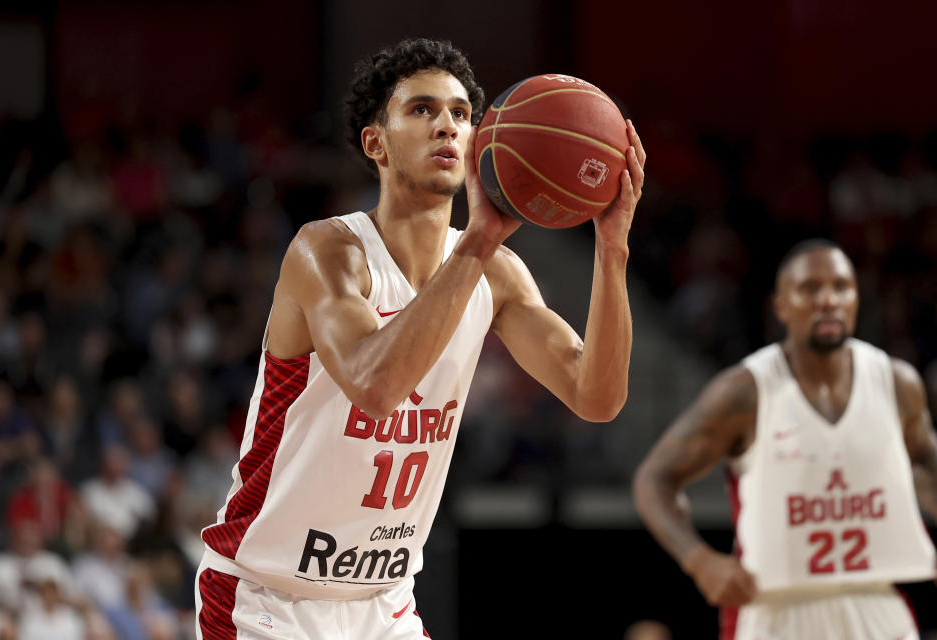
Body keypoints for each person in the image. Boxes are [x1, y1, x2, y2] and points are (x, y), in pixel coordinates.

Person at [195, 38, 644, 639]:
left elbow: (598, 396)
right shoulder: (329, 252)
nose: (447, 127)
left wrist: (612, 251)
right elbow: (376, 388)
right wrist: (480, 241)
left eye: (461, 114)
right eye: (422, 110)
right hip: (265, 595)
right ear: (375, 143)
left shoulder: (497, 275)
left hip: (384, 605)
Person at [633, 239, 937, 640]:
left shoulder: (897, 383)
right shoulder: (744, 391)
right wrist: (700, 561)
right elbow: (654, 479)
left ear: (857, 299)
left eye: (842, 287)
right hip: (777, 610)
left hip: (876, 602)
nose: (828, 300)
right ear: (780, 306)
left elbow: (924, 467)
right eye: (810, 289)